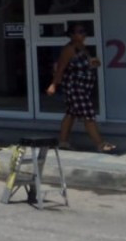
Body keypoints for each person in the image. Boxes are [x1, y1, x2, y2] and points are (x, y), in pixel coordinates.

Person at [46, 22, 116, 153]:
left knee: (71, 113)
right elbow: (60, 68)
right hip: (75, 87)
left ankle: (63, 142)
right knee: (88, 114)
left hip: (83, 87)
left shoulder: (82, 47)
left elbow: (86, 63)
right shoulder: (69, 49)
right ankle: (100, 144)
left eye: (84, 31)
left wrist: (94, 62)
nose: (84, 34)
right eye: (80, 31)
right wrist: (54, 84)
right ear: (72, 35)